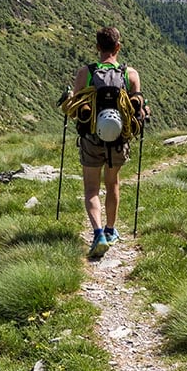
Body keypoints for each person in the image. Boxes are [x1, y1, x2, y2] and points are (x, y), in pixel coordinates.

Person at [71, 26, 148, 259]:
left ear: (97, 47)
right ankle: (111, 230)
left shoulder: (85, 73)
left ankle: (98, 234)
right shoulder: (130, 74)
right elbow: (137, 109)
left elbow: (75, 107)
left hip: (92, 139)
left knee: (91, 188)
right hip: (118, 140)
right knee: (112, 183)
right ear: (118, 47)